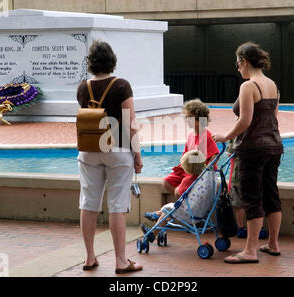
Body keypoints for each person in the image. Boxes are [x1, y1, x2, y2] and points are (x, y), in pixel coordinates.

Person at [212, 42, 283, 263]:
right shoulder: (272, 85)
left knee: (252, 198)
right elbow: (273, 117)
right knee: (271, 195)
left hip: (252, 149)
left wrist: (225, 137)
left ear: (244, 61)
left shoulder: (249, 87)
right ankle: (273, 243)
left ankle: (250, 251)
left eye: (237, 63)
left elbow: (245, 121)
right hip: (274, 146)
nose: (237, 68)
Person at [76, 40, 143, 274]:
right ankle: (121, 261)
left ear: (91, 62)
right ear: (112, 60)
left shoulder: (83, 87)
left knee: (88, 203)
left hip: (88, 150)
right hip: (117, 151)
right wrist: (138, 154)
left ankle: (89, 257)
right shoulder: (122, 85)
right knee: (117, 206)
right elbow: (131, 124)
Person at [142, 149, 207, 240]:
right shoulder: (204, 179)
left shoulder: (188, 181)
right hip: (201, 210)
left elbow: (178, 193)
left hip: (190, 212)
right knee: (168, 209)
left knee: (166, 211)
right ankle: (156, 215)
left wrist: (177, 189)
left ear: (187, 168)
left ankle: (153, 233)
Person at [162, 99, 220, 195]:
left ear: (200, 119)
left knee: (181, 189)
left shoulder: (206, 136)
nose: (186, 119)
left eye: (190, 117)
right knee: (166, 182)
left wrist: (206, 170)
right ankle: (184, 199)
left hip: (198, 173)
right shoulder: (191, 136)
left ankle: (184, 200)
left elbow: (215, 156)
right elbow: (185, 156)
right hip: (188, 170)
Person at [226, 140, 268, 240]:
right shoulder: (259, 133)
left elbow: (230, 156)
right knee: (256, 203)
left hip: (238, 176)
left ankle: (241, 228)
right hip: (256, 175)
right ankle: (260, 229)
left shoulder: (236, 135)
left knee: (239, 204)